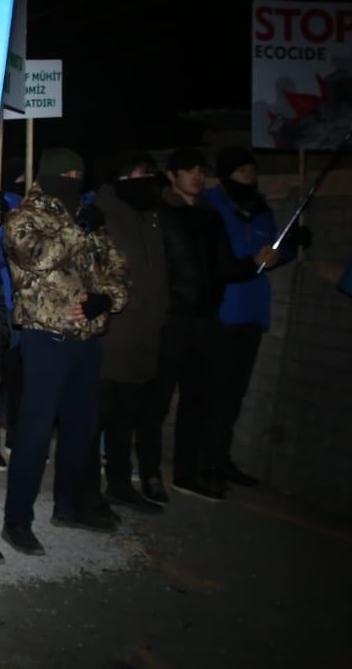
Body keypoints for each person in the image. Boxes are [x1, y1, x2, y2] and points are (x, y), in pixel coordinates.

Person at [0, 148, 129, 556]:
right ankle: (16, 520)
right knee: (35, 432)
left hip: (87, 337)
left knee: (80, 429)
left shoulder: (89, 217)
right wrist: (76, 229)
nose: (72, 180)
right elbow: (36, 258)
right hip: (46, 337)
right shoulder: (24, 218)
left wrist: (106, 299)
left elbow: (118, 268)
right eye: (65, 174)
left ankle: (69, 506)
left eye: (79, 174)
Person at [148, 148, 275, 503]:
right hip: (171, 320)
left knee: (197, 401)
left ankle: (187, 474)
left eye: (201, 171)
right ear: (172, 176)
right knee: (156, 402)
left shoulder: (211, 217)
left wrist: (254, 261)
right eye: (190, 170)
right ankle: (149, 472)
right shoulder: (160, 213)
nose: (198, 177)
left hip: (207, 321)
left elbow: (225, 268)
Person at [202, 146, 300, 487]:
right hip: (221, 312)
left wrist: (288, 249)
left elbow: (270, 253)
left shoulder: (261, 211)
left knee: (234, 394)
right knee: (213, 392)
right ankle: (204, 460)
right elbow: (224, 262)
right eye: (242, 172)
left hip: (251, 313)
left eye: (252, 171)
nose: (249, 178)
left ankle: (220, 458)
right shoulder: (212, 205)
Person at [88, 153, 170, 516]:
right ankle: (86, 490)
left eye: (152, 174)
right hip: (112, 336)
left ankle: (119, 484)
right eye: (142, 173)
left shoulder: (151, 217)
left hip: (144, 338)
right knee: (97, 418)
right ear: (122, 177)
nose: (149, 179)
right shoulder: (103, 214)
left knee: (126, 419)